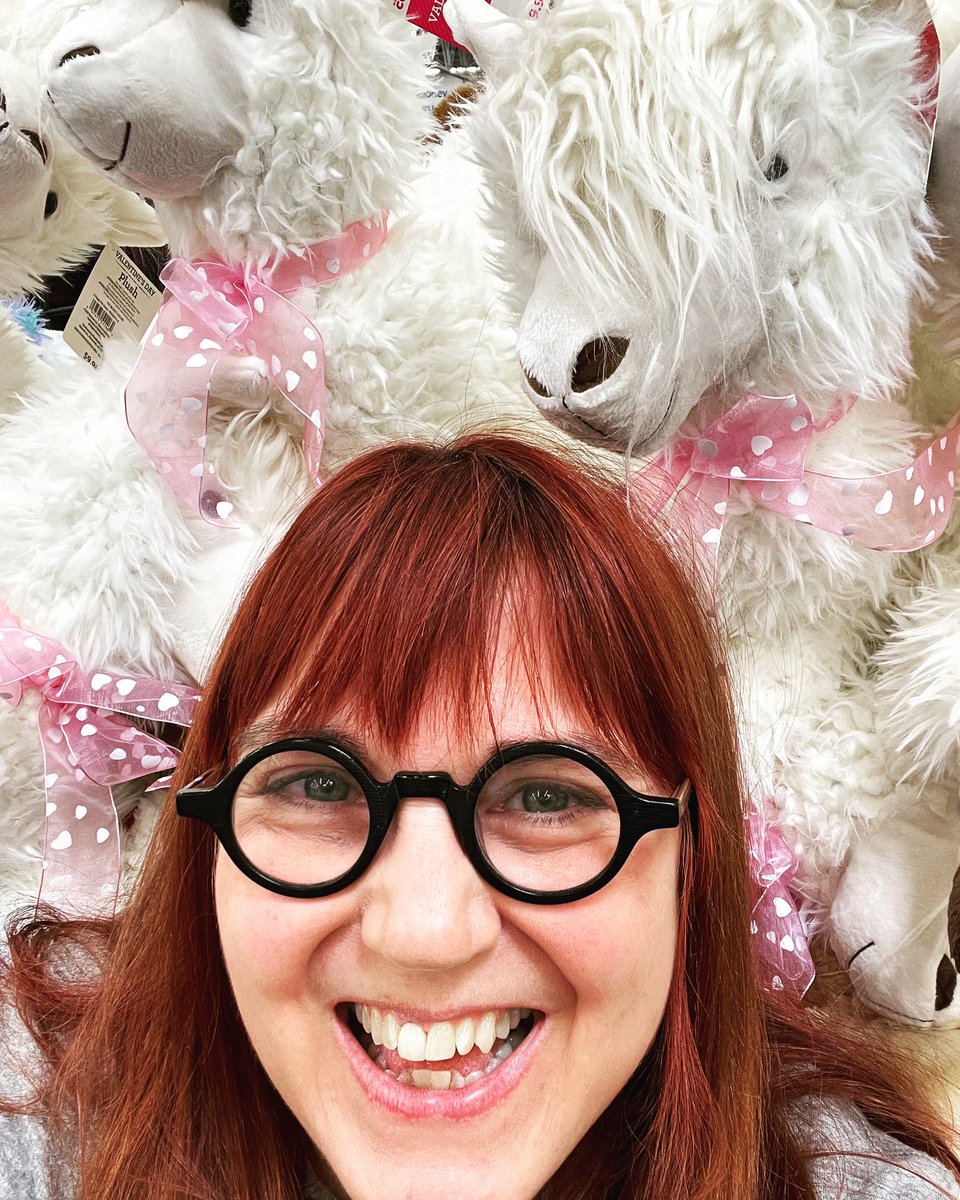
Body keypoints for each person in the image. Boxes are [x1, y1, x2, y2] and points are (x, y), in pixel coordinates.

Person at [1, 432, 959, 1200]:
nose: (424, 934)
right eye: (320, 786)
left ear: (691, 860)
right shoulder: (39, 1111)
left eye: (547, 797)